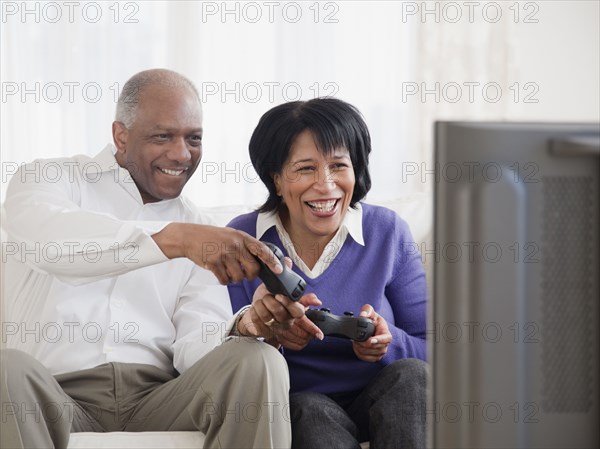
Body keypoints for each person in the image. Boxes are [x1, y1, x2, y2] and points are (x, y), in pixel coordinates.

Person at [0, 68, 322, 449]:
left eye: (194, 139)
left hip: (156, 398)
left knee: (258, 361)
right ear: (121, 135)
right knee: (7, 369)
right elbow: (52, 244)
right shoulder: (49, 178)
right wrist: (176, 240)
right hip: (51, 392)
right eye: (163, 136)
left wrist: (247, 328)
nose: (182, 154)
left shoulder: (200, 226)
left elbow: (196, 344)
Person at [227, 98, 429, 449]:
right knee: (309, 409)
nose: (326, 184)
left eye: (338, 165)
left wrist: (386, 342)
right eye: (305, 169)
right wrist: (271, 336)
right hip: (301, 406)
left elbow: (436, 351)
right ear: (276, 179)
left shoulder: (387, 231)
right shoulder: (244, 241)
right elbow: (220, 357)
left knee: (412, 376)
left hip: (383, 401)